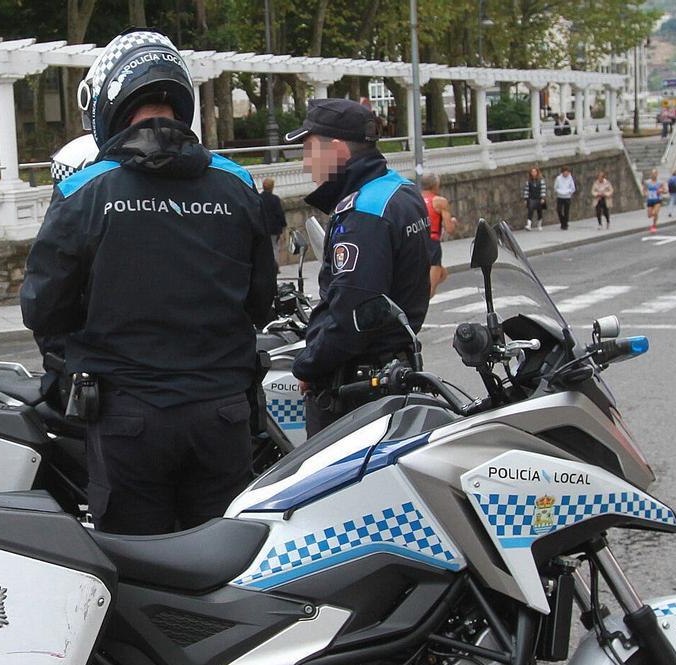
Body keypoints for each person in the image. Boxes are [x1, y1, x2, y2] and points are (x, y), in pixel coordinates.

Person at [21, 30, 276, 535]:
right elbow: (261, 302)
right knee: (222, 567)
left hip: (127, 418)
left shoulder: (85, 189)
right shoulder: (237, 184)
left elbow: (43, 308)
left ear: (110, 103)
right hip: (221, 413)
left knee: (140, 569)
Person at [284, 97, 429, 436]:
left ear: (336, 149)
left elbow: (353, 313)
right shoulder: (400, 192)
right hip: (394, 368)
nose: (306, 164)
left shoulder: (363, 212)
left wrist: (309, 365)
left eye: (309, 150)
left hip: (358, 389)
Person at [419, 171, 457, 296]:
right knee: (430, 290)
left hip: (416, 241)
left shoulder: (415, 198)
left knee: (442, 274)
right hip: (432, 243)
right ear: (435, 185)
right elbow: (450, 229)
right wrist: (453, 222)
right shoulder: (439, 202)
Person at [259, 176, 287, 265]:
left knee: (264, 248)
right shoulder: (275, 199)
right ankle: (275, 265)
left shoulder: (258, 199)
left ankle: (266, 265)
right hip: (274, 228)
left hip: (263, 227)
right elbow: (279, 213)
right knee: (275, 246)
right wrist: (283, 225)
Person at [553, 166, 575, 230]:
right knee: (559, 210)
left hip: (567, 197)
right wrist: (559, 191)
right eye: (564, 172)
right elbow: (555, 187)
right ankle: (563, 221)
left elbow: (573, 188)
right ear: (562, 172)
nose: (566, 174)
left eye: (567, 172)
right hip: (560, 196)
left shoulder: (570, 178)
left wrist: (569, 192)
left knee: (566, 211)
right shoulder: (558, 178)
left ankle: (565, 224)